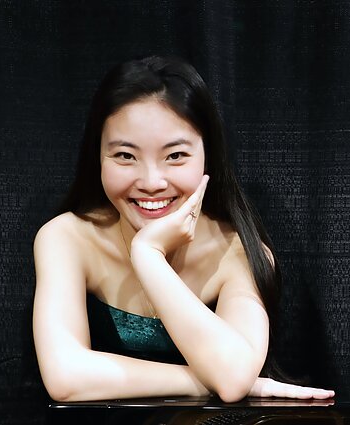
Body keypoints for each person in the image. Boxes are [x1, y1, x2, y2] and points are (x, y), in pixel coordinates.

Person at [32, 55, 334, 402]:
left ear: (208, 156)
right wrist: (207, 378)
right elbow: (65, 377)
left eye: (175, 156)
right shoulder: (66, 238)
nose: (151, 182)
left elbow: (232, 377)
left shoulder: (239, 252)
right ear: (97, 157)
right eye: (125, 156)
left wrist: (148, 255)